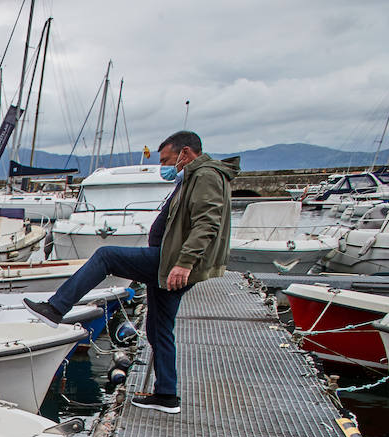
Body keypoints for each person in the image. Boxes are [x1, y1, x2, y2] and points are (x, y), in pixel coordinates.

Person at [25, 131, 239, 414]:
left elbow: (207, 224)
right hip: (168, 264)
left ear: (185, 154)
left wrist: (184, 262)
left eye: (168, 160)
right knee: (158, 328)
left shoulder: (205, 176)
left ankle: (56, 308)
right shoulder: (197, 176)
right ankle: (166, 395)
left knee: (107, 256)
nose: (167, 166)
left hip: (171, 263)